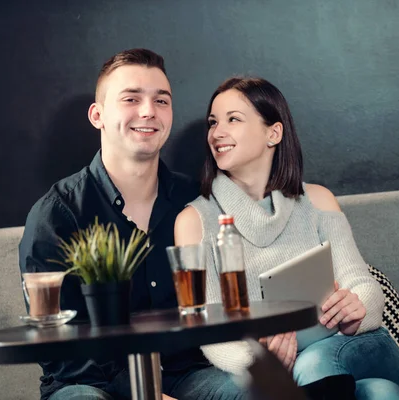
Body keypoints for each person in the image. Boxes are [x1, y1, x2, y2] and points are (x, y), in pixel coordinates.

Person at [19, 49, 246, 400]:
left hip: (187, 374)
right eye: (131, 98)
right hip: (89, 385)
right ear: (98, 115)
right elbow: (59, 352)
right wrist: (146, 394)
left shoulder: (197, 200)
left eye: (161, 100)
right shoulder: (57, 214)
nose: (148, 111)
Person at [174, 77, 399, 399]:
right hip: (285, 369)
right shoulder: (194, 221)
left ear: (274, 133)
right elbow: (207, 326)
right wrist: (259, 359)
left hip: (354, 344)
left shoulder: (318, 200)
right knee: (380, 393)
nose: (217, 133)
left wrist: (358, 307)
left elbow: (361, 282)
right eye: (213, 122)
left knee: (315, 362)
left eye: (233, 119)